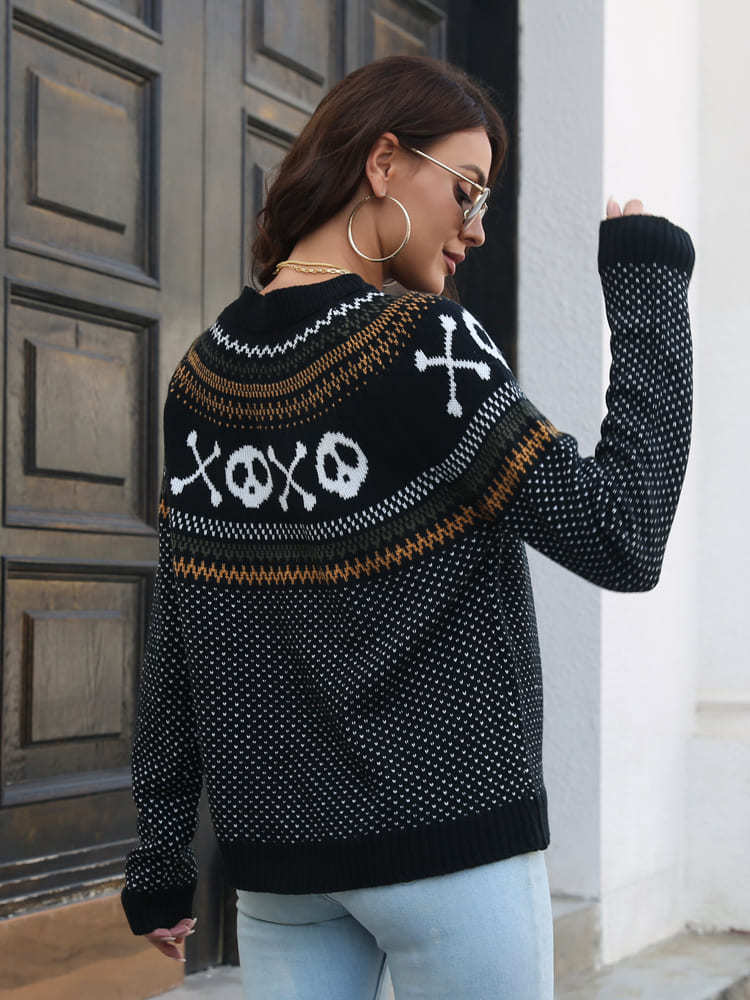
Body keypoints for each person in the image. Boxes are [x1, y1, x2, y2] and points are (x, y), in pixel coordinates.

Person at [119, 54, 695, 1000]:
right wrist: (649, 296)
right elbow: (621, 535)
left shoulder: (201, 377)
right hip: (451, 850)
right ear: (383, 162)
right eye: (466, 190)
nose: (475, 228)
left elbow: (178, 632)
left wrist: (159, 857)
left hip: (282, 869)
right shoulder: (426, 347)